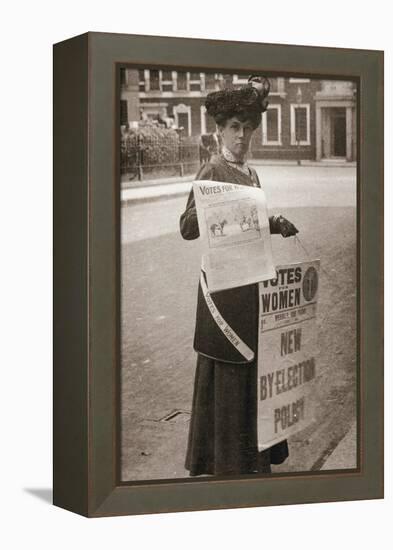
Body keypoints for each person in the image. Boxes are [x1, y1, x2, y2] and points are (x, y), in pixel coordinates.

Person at [179, 76, 299, 477]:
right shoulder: (212, 169)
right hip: (222, 294)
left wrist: (277, 222)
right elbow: (187, 226)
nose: (242, 135)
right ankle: (226, 461)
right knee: (228, 369)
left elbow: (254, 223)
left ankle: (253, 459)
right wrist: (211, 211)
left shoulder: (252, 175)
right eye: (235, 127)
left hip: (251, 288)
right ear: (219, 130)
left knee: (253, 369)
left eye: (248, 128)